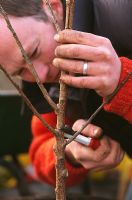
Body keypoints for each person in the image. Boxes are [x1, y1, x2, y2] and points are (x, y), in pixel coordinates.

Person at [0, 0, 131, 187]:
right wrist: (69, 152)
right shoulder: (45, 84)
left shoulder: (125, 13)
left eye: (34, 51)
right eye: (21, 71)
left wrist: (122, 81)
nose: (41, 75)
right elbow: (41, 151)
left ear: (54, 9)